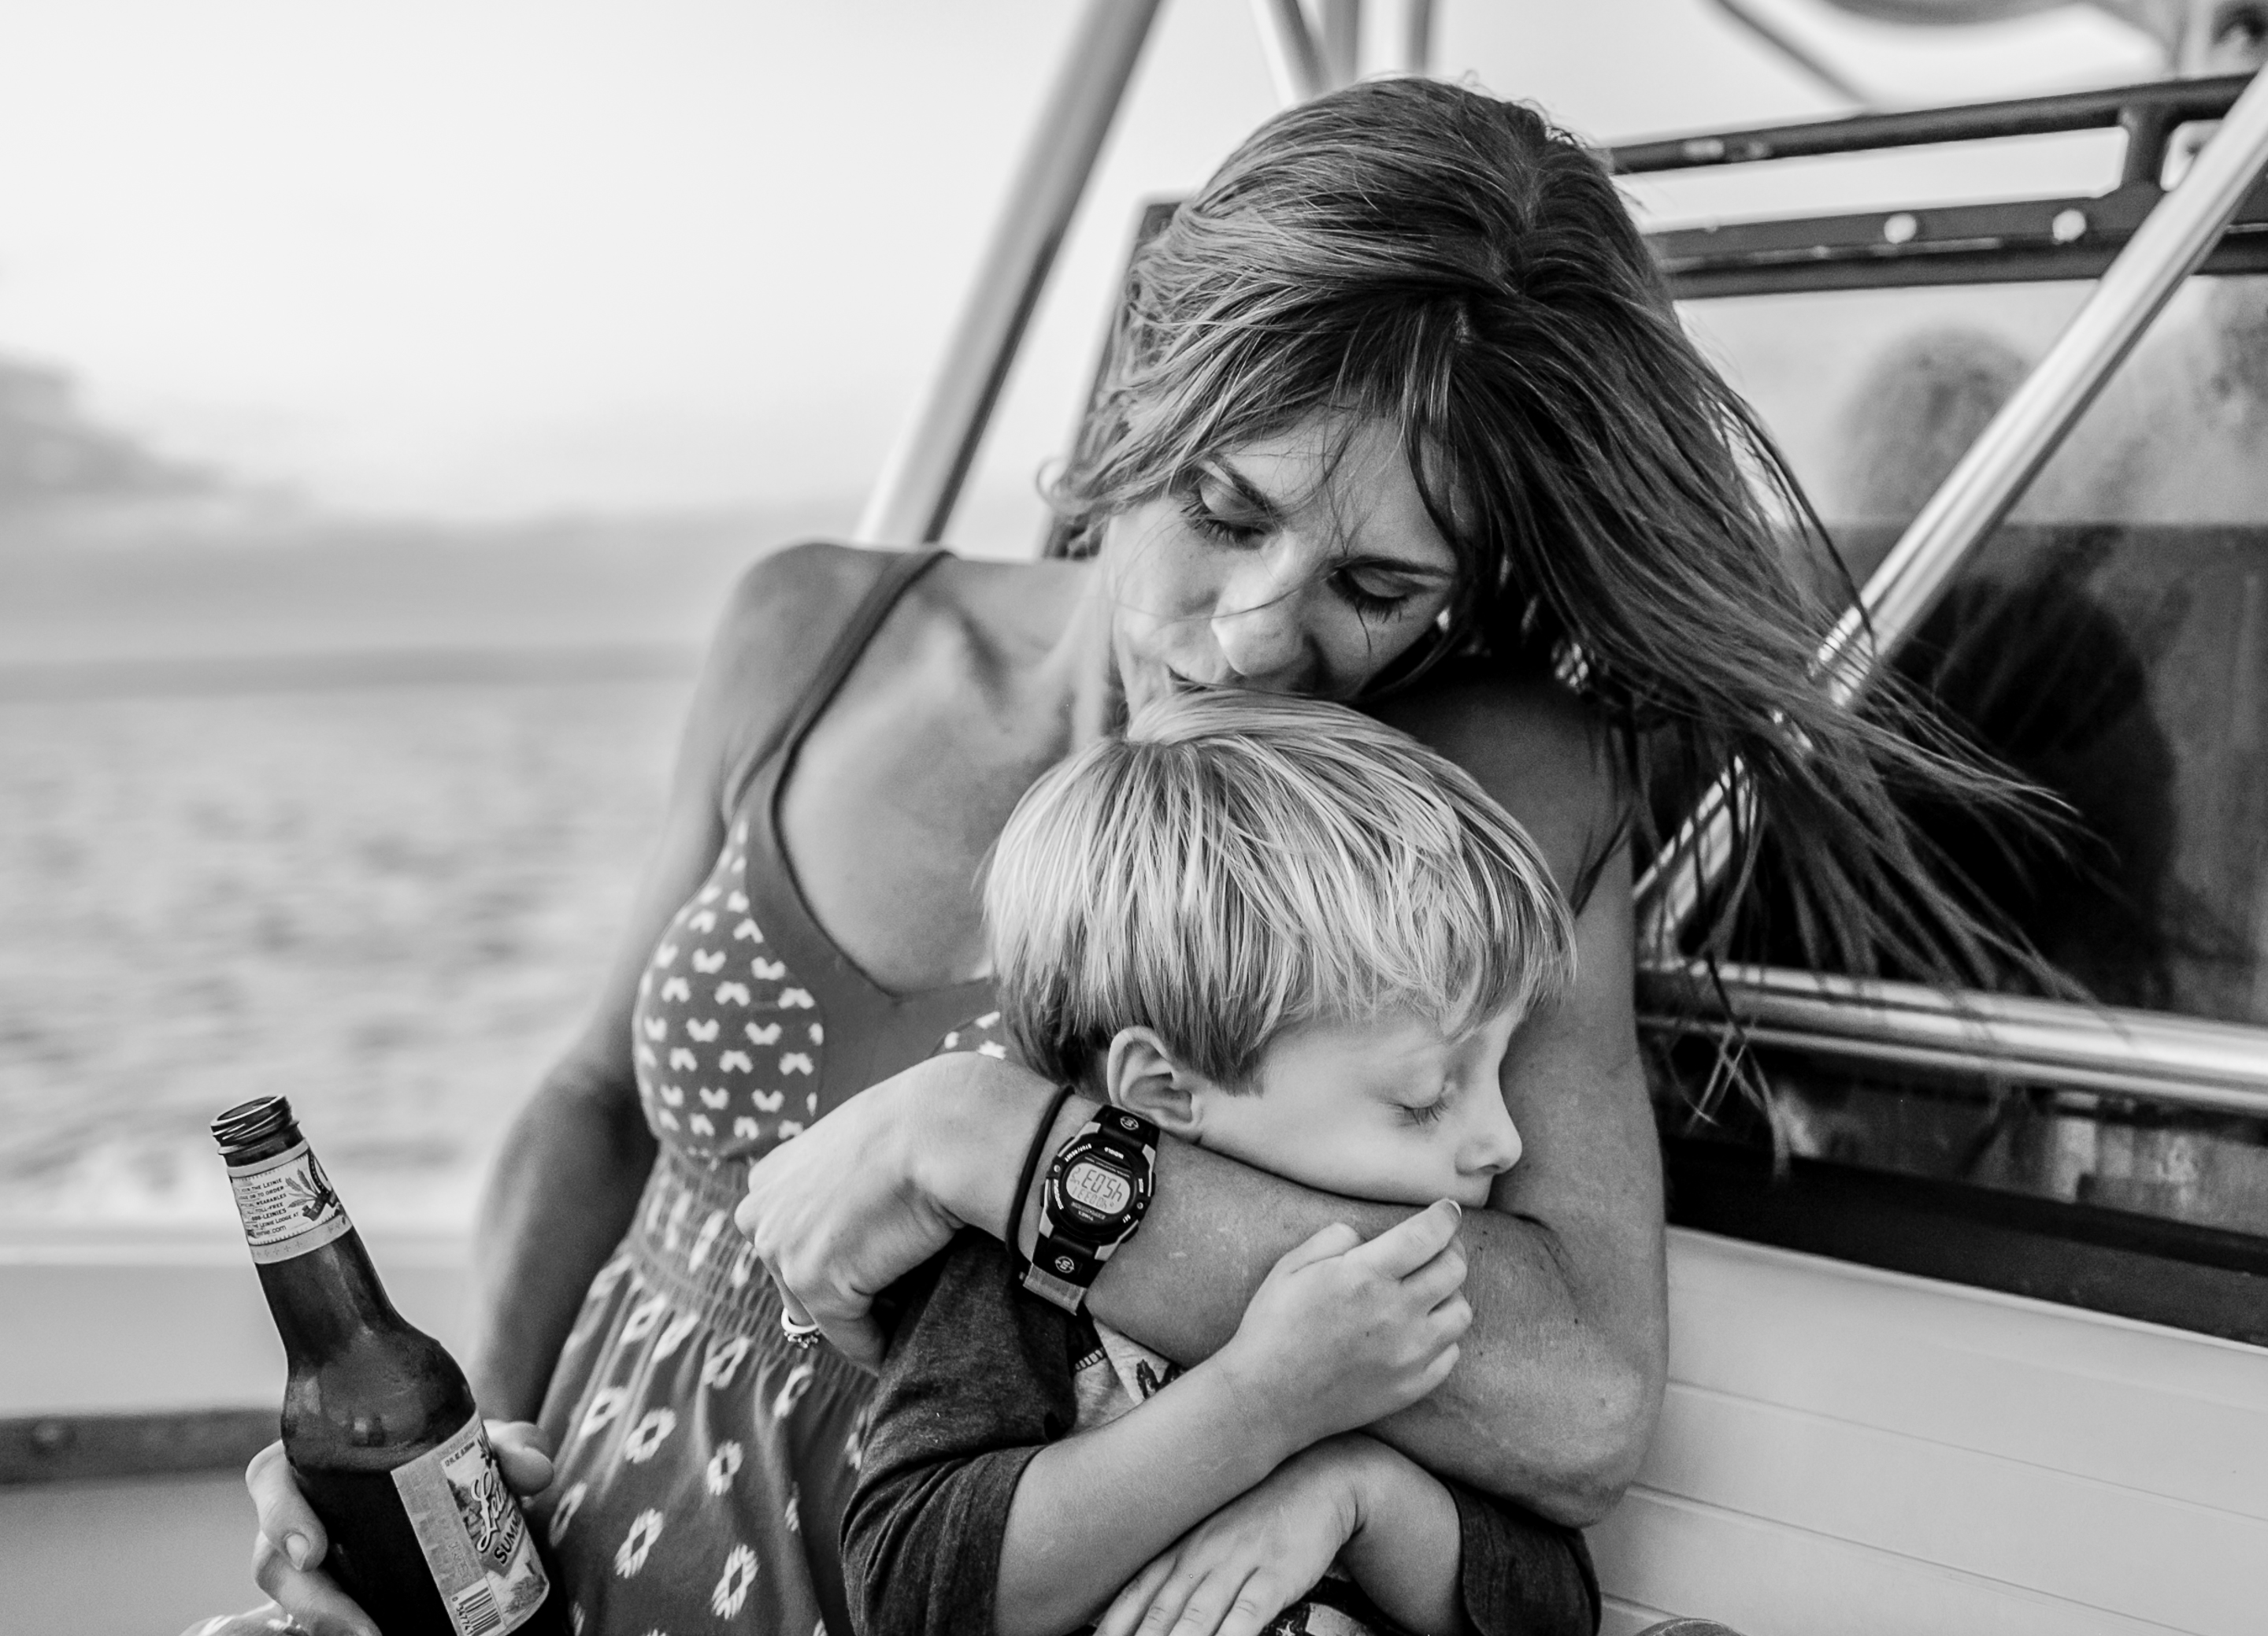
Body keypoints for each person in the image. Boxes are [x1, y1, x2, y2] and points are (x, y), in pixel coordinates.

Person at [221, 76, 2012, 1636]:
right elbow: (593, 1101)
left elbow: (1576, 1395)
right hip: (594, 1559)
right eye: (1223, 510)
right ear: (1149, 382)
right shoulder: (814, 629)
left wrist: (1004, 1149)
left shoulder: (1469, 783)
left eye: (1374, 586)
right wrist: (448, 1487)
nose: (1250, 633)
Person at [846, 688, 1599, 1636]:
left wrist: (1353, 1493)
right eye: (1422, 1097)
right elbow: (910, 1586)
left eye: (1503, 1072)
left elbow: (1555, 1608)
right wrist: (1265, 1400)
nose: (1503, 1141)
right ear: (1161, 1092)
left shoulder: (1404, 1290)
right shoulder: (1021, 1268)